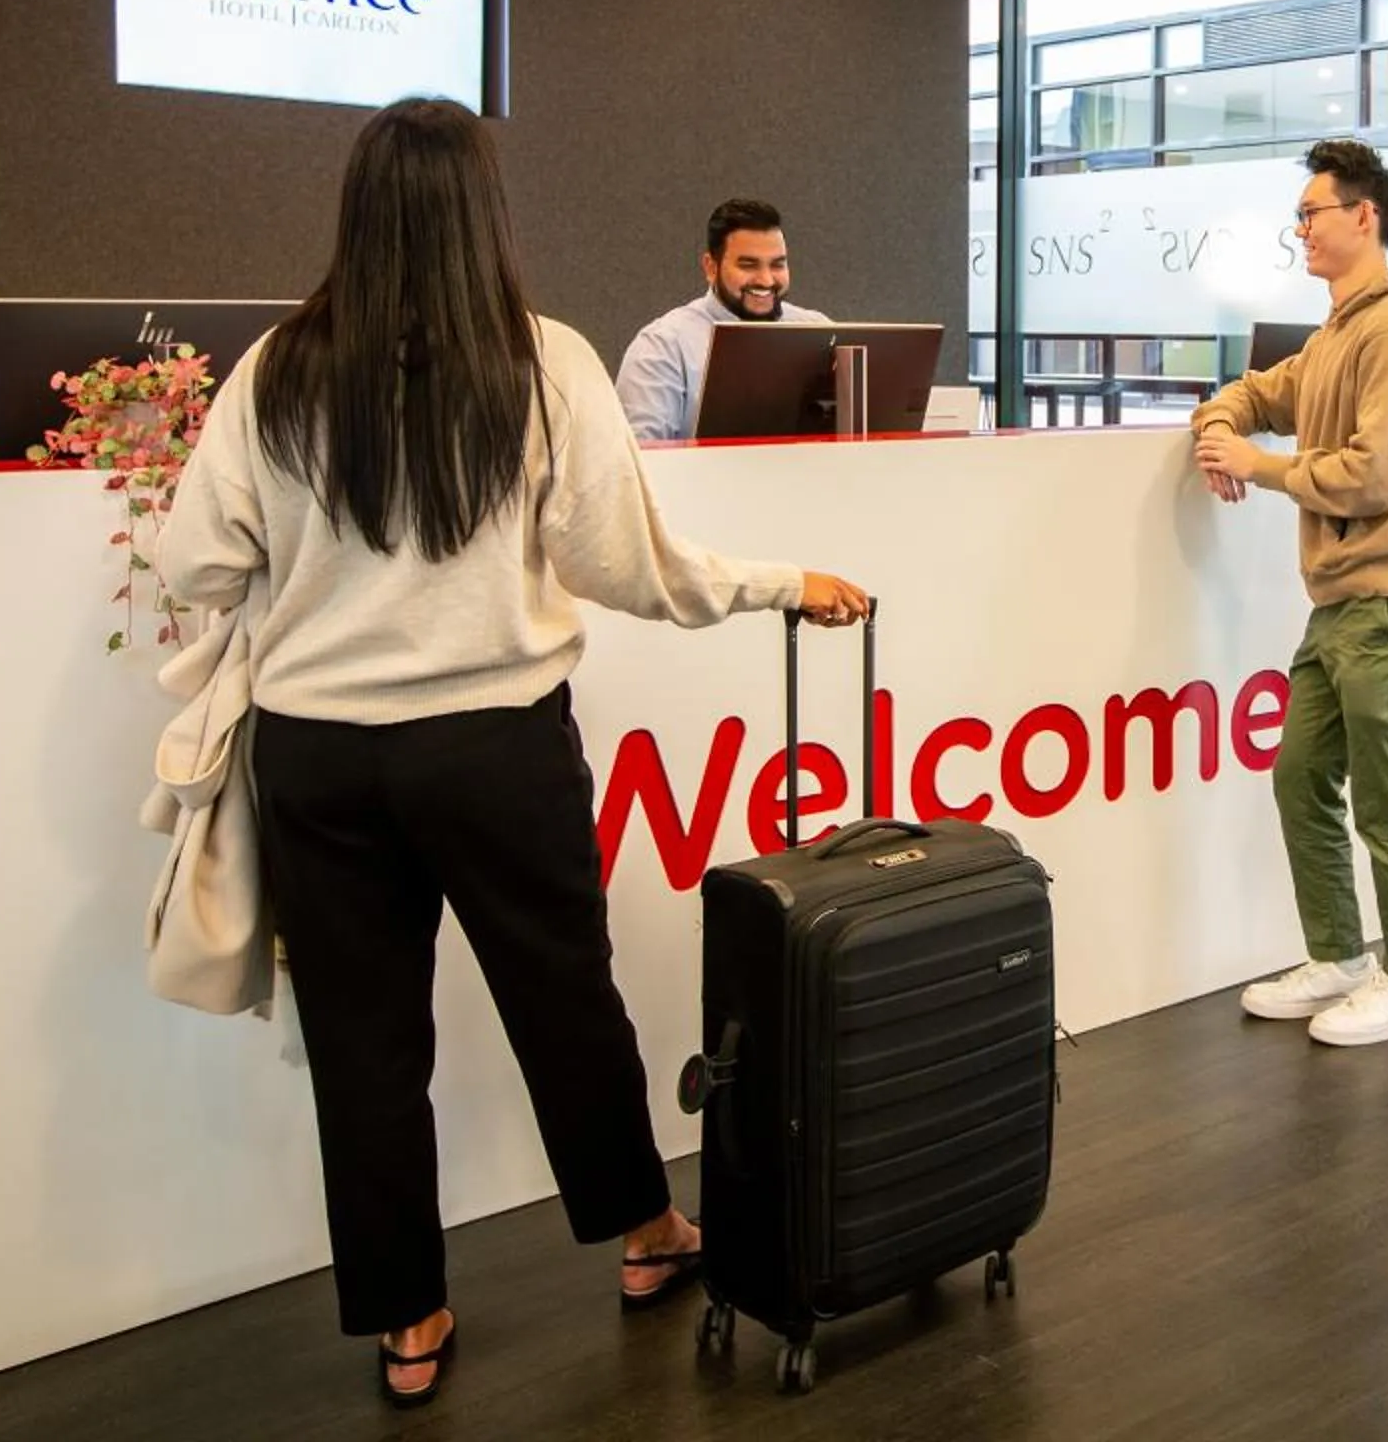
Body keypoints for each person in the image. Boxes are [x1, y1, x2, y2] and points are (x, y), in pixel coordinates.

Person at [157, 100, 868, 1408]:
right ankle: (647, 1233)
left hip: (318, 759)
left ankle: (408, 1318)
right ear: (486, 212)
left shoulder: (276, 369)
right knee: (565, 1001)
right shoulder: (543, 358)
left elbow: (193, 560)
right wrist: (778, 581)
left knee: (364, 1044)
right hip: (495, 747)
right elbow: (625, 564)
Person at [1191, 138, 1388, 1048]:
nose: (1301, 230)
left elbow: (1375, 475)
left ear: (1364, 215)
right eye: (1300, 216)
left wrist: (1259, 467)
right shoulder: (1337, 333)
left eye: (1311, 213)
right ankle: (1340, 957)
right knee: (1301, 774)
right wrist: (1219, 428)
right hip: (1344, 598)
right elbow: (1257, 394)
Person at [616, 196, 833, 441]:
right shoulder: (662, 346)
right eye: (748, 265)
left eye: (777, 265)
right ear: (711, 267)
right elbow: (638, 457)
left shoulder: (819, 331)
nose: (766, 280)